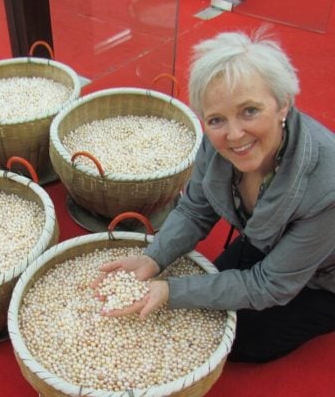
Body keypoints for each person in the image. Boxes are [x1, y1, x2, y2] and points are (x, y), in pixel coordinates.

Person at [92, 29, 335, 363]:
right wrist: (154, 257)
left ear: (283, 104)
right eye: (217, 119)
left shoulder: (328, 186)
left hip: (325, 275)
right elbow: (194, 210)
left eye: (250, 111)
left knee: (241, 341)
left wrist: (169, 291)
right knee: (205, 311)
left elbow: (270, 286)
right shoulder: (217, 142)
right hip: (267, 240)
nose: (234, 134)